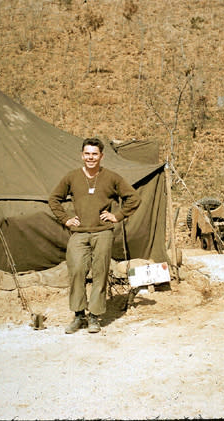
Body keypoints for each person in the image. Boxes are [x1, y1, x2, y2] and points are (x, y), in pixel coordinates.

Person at [48, 138, 141, 334]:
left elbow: (133, 198)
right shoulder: (71, 177)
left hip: (103, 232)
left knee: (100, 273)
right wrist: (65, 219)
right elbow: (54, 199)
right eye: (87, 154)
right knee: (77, 271)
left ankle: (94, 317)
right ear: (82, 155)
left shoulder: (112, 178)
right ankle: (78, 315)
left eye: (94, 154)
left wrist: (117, 216)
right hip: (79, 233)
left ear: (101, 156)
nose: (91, 157)